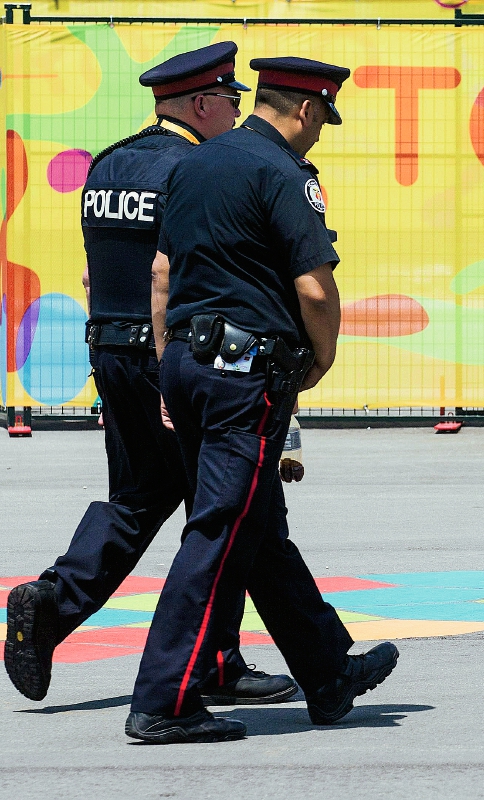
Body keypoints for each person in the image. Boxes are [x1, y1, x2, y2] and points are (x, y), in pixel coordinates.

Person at [5, 43, 297, 709]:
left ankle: (53, 601)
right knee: (221, 509)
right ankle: (215, 664)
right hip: (171, 356)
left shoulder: (109, 165)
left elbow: (96, 270)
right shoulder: (196, 171)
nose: (237, 113)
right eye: (229, 100)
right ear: (200, 104)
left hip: (110, 350)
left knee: (139, 496)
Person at [126, 57, 398, 744]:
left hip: (187, 364)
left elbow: (161, 274)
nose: (318, 136)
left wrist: (168, 369)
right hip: (241, 376)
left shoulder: (195, 164)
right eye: (321, 122)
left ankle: (329, 672)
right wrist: (324, 357)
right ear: (307, 111)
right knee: (221, 529)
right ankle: (164, 698)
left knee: (258, 527)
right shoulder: (283, 174)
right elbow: (313, 288)